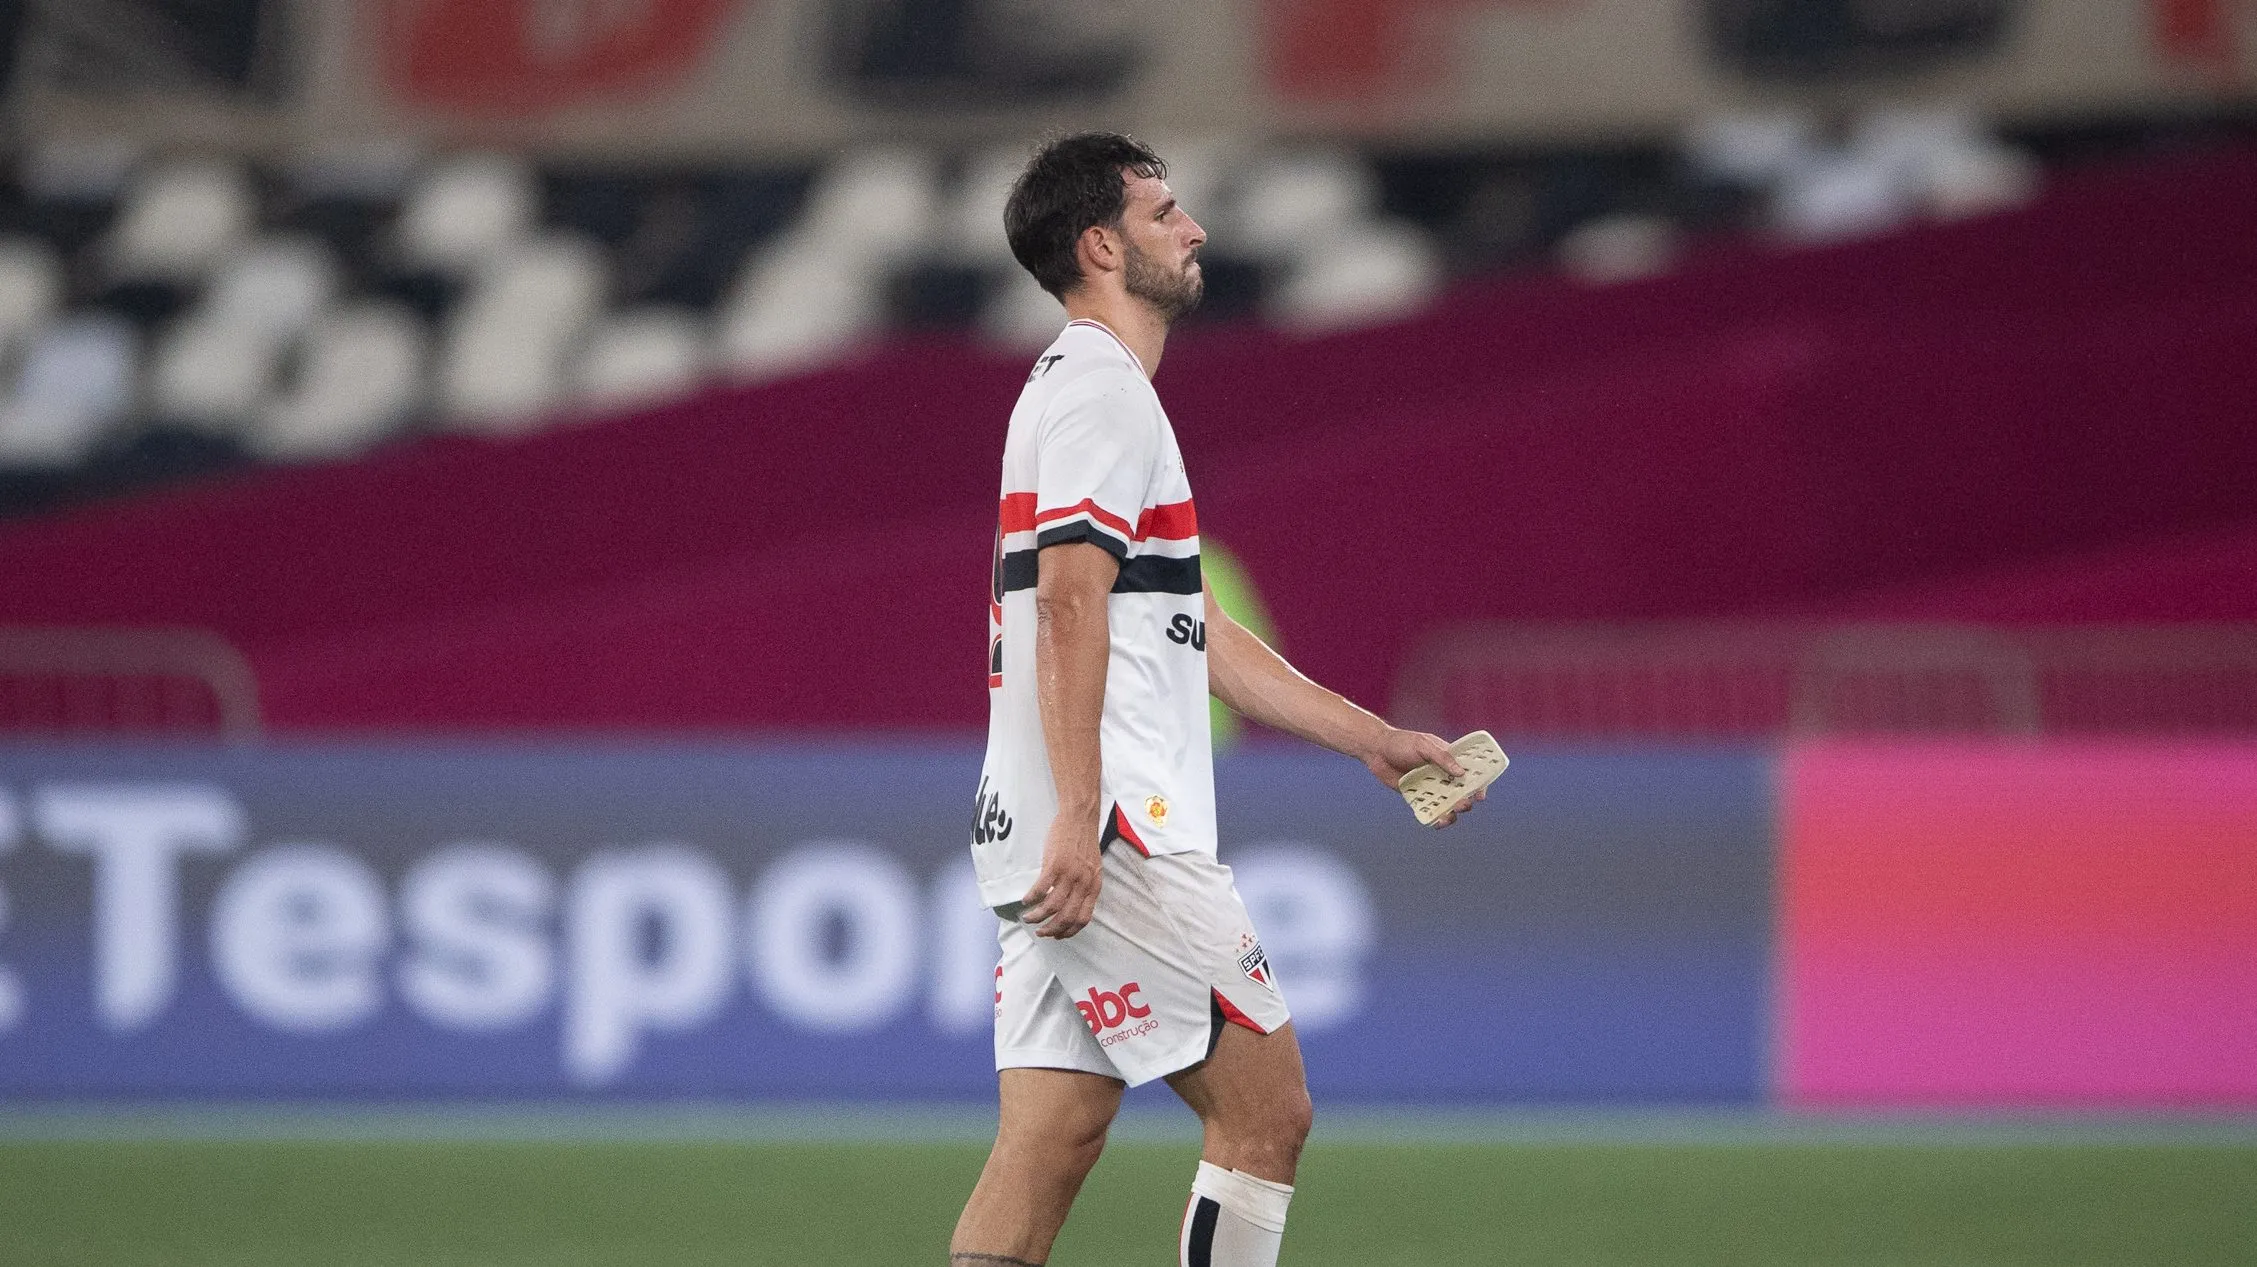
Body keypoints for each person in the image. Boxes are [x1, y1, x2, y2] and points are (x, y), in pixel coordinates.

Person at [951, 132, 1484, 1267]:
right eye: (1163, 212)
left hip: (1049, 827)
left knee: (1048, 1139)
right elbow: (1068, 603)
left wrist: (1371, 739)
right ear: (1101, 245)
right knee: (1265, 1114)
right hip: (1112, 830)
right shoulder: (1102, 390)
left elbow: (1191, 629)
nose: (1192, 230)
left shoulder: (1077, 387)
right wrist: (1084, 815)